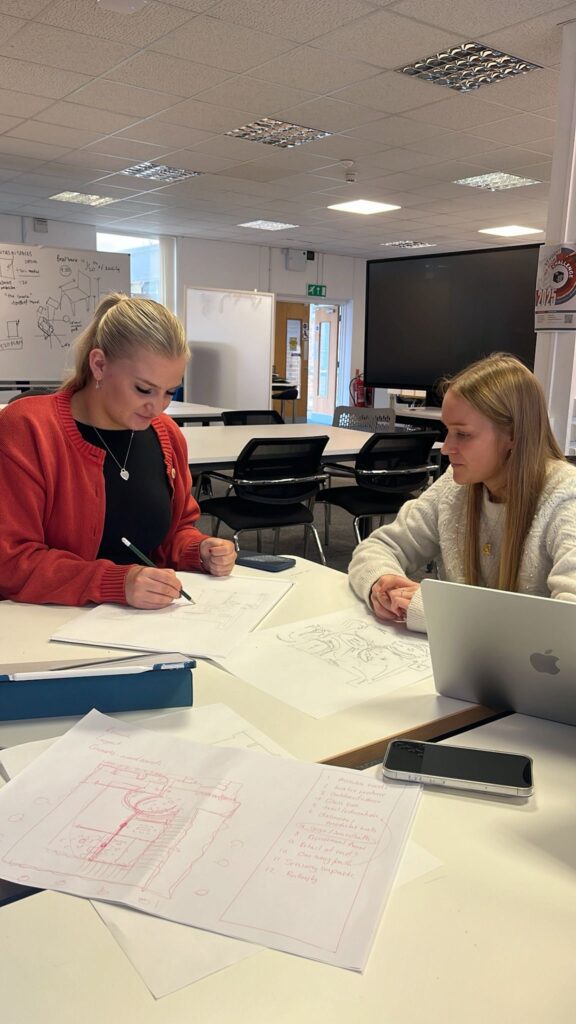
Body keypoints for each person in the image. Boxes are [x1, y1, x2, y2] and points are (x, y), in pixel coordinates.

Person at [0, 293, 236, 608]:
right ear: (99, 365)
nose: (157, 407)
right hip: (44, 624)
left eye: (170, 392)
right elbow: (12, 561)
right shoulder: (30, 428)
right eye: (143, 389)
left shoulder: (166, 435)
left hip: (140, 623)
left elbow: (175, 531)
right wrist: (116, 583)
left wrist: (199, 549)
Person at [348, 353, 576, 633]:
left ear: (513, 435)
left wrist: (435, 610)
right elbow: (377, 547)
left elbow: (567, 624)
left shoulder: (566, 497)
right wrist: (382, 581)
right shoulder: (455, 487)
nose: (445, 448)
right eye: (447, 431)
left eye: (463, 434)